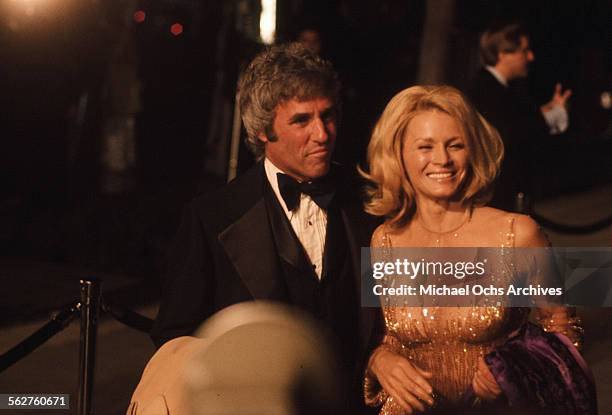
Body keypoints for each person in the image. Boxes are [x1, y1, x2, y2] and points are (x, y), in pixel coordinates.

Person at [149, 43, 378, 412]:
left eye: (328, 115)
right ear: (262, 132)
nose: (322, 134)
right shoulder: (211, 217)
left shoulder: (370, 203)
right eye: (301, 120)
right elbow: (175, 335)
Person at [360, 85, 587, 414]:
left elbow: (563, 332)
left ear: (473, 150)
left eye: (456, 145)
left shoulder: (517, 234)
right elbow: (387, 336)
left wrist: (514, 373)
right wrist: (379, 360)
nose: (442, 160)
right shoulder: (385, 240)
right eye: (425, 147)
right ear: (398, 156)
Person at [467, 22, 572, 211]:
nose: (530, 57)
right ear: (502, 54)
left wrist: (546, 110)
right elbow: (506, 134)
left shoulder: (499, 88)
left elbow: (515, 119)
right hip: (496, 197)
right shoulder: (485, 89)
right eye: (524, 51)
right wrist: (550, 117)